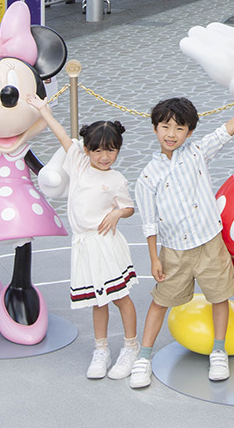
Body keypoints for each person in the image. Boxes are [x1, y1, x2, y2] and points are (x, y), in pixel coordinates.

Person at [127, 87, 234, 388]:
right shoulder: (147, 177)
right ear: (155, 128)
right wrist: (154, 258)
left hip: (209, 243)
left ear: (189, 132)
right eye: (165, 126)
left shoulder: (197, 153)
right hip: (174, 251)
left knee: (220, 297)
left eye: (179, 128)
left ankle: (219, 351)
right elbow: (149, 223)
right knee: (160, 302)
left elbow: (226, 130)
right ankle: (144, 357)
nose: (171, 133)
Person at [35, 102, 140, 380]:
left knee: (120, 297)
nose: (104, 156)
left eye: (110, 150)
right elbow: (60, 133)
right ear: (87, 150)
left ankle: (131, 346)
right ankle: (101, 349)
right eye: (97, 150)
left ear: (118, 149)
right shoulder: (78, 163)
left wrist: (118, 213)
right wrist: (43, 111)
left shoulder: (117, 179)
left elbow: (129, 207)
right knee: (98, 300)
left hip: (105, 243)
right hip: (83, 245)